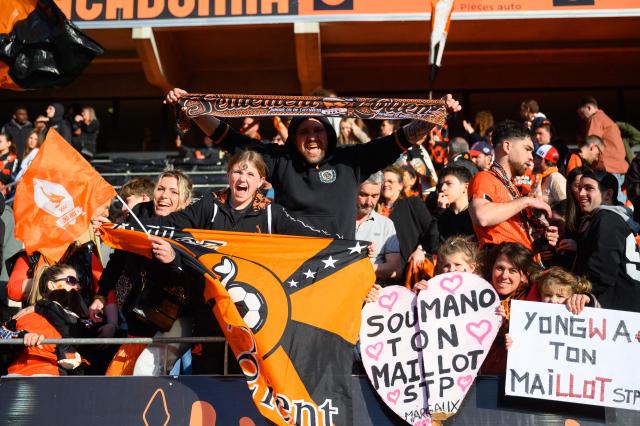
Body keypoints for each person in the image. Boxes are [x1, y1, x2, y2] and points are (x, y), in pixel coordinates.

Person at [165, 88, 461, 239]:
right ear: (294, 138)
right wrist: (192, 108)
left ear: (328, 134)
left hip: (339, 265)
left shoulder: (350, 160)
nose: (312, 137)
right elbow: (228, 138)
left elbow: (402, 138)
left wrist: (437, 115)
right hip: (294, 269)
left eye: (318, 130)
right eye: (304, 131)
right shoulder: (281, 161)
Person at [91, 170, 194, 376]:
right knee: (122, 376)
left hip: (178, 316)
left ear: (185, 202)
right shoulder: (140, 213)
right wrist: (102, 293)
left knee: (151, 372)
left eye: (174, 192)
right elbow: (118, 258)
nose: (165, 195)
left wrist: (172, 261)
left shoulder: (192, 222)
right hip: (140, 314)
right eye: (161, 189)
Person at [468, 120, 559, 251]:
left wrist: (543, 238)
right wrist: (526, 201)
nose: (531, 157)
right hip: (504, 266)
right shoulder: (484, 177)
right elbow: (482, 216)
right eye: (527, 149)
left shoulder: (512, 187)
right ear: (507, 147)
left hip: (524, 265)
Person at [571, 169, 640, 312]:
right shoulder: (610, 217)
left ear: (608, 194)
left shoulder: (607, 218)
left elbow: (603, 268)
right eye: (579, 188)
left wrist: (587, 293)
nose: (581, 193)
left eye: (589, 188)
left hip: (617, 311)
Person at [4, 264, 88, 376]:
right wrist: (22, 336)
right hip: (16, 376)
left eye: (79, 283)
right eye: (71, 280)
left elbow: (74, 331)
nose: (77, 286)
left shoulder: (76, 318)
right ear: (52, 285)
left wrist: (42, 306)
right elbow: (3, 333)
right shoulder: (24, 314)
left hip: (51, 378)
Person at [480, 242, 540, 375]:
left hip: (519, 379)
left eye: (512, 271)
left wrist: (586, 298)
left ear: (524, 276)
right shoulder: (477, 295)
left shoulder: (534, 299)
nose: (504, 276)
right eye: (500, 268)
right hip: (483, 377)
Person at [377, 166, 437, 279]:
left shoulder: (412, 203)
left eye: (390, 181)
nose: (385, 184)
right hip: (385, 274)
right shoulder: (375, 210)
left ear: (400, 185)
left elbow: (431, 228)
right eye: (383, 181)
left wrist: (421, 249)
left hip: (412, 271)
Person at [577, 97, 628, 202]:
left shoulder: (595, 118)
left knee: (613, 199)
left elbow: (591, 143)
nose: (581, 117)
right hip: (617, 165)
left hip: (608, 166)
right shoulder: (605, 119)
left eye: (581, 113)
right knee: (614, 196)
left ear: (589, 107)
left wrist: (582, 158)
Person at [355, 173, 403, 285]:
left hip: (373, 292)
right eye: (363, 194)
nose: (369, 202)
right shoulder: (339, 220)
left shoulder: (386, 225)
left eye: (375, 196)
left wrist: (360, 268)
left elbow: (395, 269)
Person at [412, 236, 479, 293]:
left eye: (457, 264)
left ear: (472, 267)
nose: (452, 269)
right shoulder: (435, 290)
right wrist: (418, 293)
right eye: (446, 266)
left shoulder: (480, 289)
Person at [434, 166, 475, 242]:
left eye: (449, 184)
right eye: (441, 185)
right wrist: (440, 211)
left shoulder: (474, 214)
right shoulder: (443, 213)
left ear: (466, 187)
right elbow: (432, 244)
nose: (443, 188)